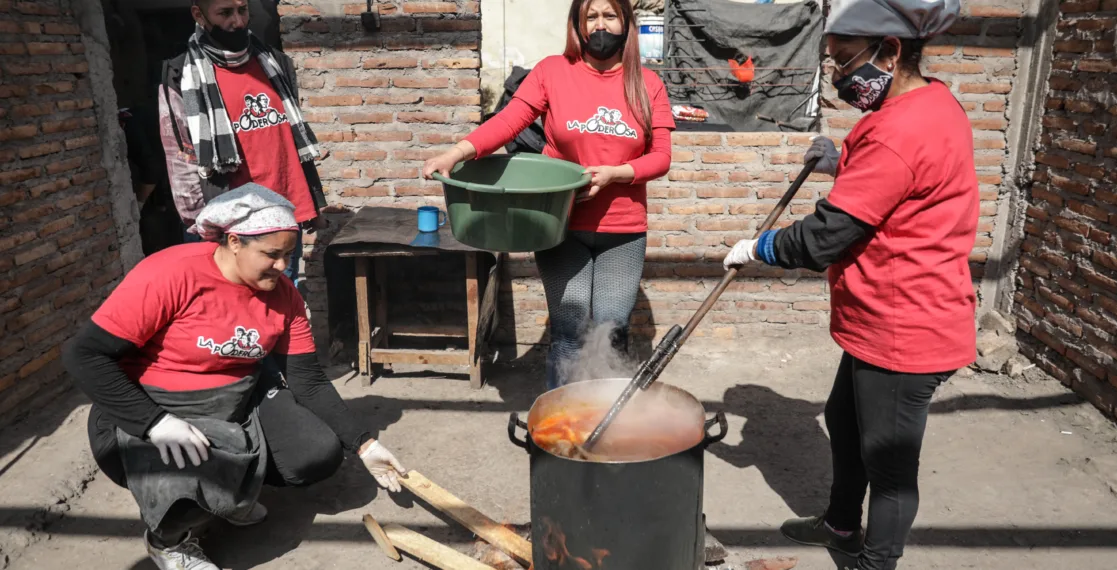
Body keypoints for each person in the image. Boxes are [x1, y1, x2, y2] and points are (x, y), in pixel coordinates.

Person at [723, 0, 975, 569]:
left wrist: (759, 247)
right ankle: (840, 524)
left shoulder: (898, 130)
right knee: (842, 419)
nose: (838, 78)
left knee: (889, 467)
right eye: (833, 65)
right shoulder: (928, 103)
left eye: (844, 62)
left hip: (905, 325)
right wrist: (843, 161)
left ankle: (874, 562)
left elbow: (822, 238)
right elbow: (903, 181)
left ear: (890, 51)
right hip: (881, 314)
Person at [63, 185, 406, 570]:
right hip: (153, 405)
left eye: (288, 255)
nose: (281, 267)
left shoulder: (284, 294)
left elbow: (307, 380)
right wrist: (154, 424)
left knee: (314, 454)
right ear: (234, 242)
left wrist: (363, 445)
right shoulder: (171, 273)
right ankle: (168, 540)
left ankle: (232, 498)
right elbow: (84, 355)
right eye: (271, 255)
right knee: (190, 486)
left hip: (234, 399)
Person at [423, 0, 675, 391]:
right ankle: (561, 427)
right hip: (558, 224)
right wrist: (457, 152)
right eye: (590, 16)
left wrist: (616, 175)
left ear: (626, 23)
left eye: (610, 15)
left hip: (622, 229)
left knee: (613, 328)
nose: (600, 25)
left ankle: (609, 424)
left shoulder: (647, 83)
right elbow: (508, 121)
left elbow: (660, 157)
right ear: (577, 24)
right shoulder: (553, 72)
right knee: (570, 329)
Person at [158, 0, 326, 281]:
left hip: (284, 211)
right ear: (199, 14)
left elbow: (290, 140)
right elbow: (181, 160)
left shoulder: (275, 63)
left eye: (242, 10)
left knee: (286, 301)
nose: (237, 21)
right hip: (232, 224)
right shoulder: (181, 76)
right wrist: (200, 224)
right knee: (234, 312)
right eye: (225, 13)